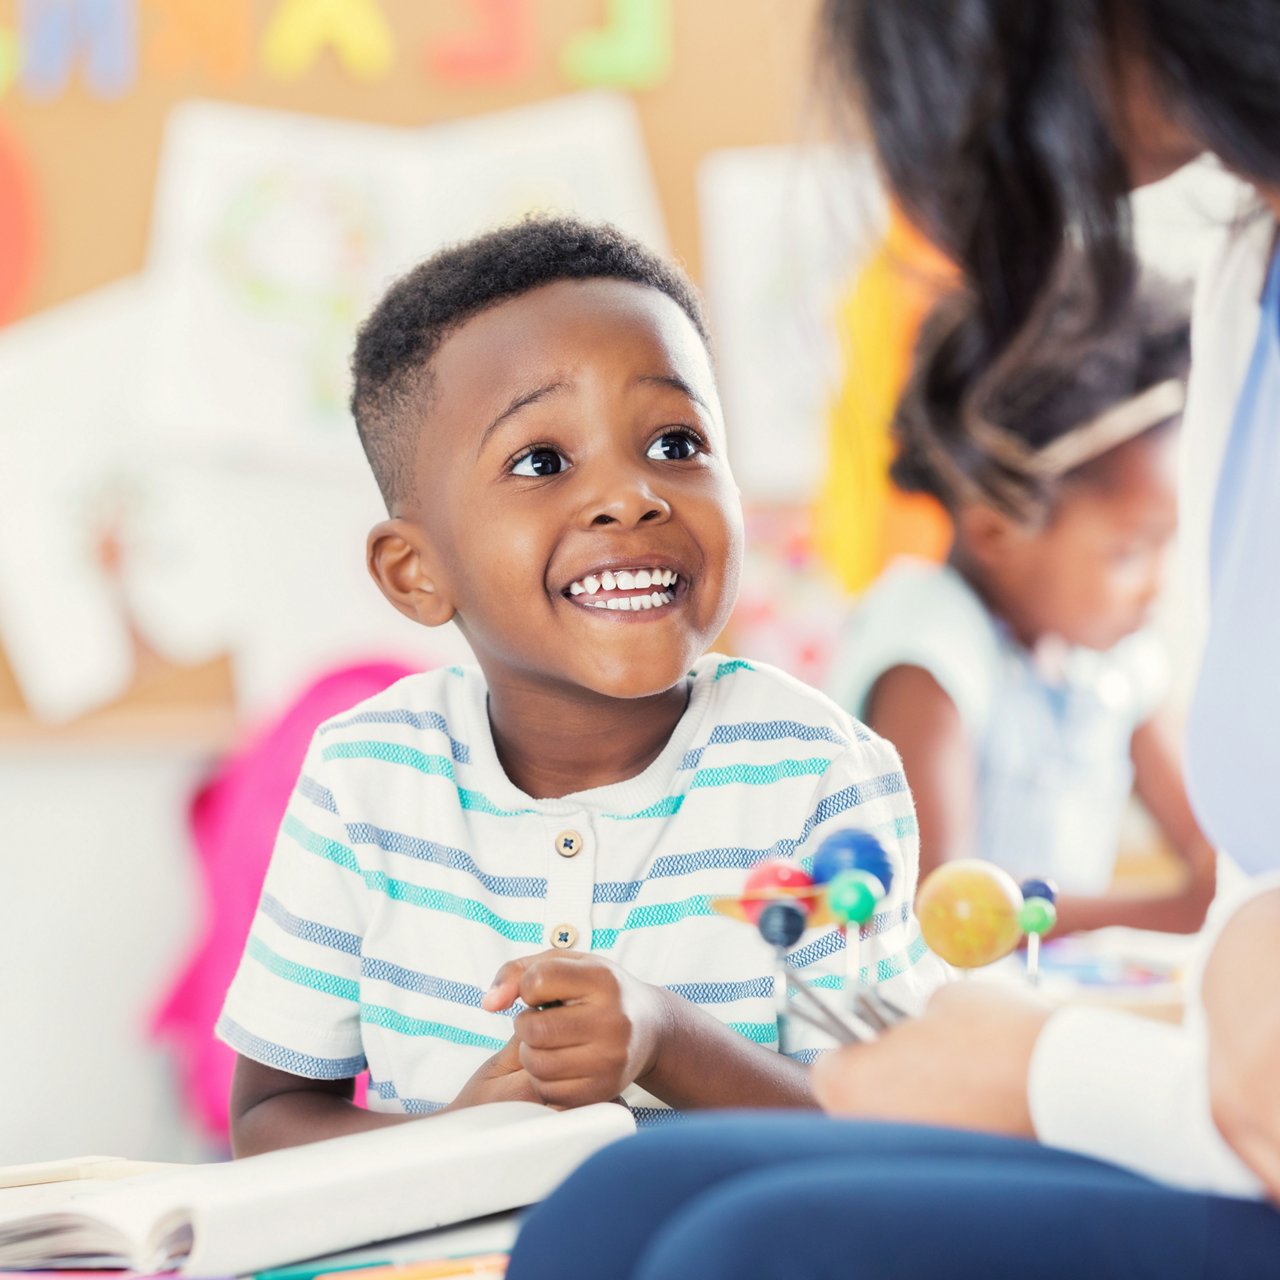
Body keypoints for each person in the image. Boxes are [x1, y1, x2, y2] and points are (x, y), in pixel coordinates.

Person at [506, 1, 1280, 1274]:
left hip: (1224, 1091)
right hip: (1216, 1065)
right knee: (618, 1205)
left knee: (741, 1251)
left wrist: (1034, 1062)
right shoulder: (1236, 284)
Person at [216, 216, 945, 1155]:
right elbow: (268, 1118)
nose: (633, 496)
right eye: (541, 462)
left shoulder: (818, 772)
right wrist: (455, 1139)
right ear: (415, 571)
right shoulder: (365, 778)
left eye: (677, 444)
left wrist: (668, 1040)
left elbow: (897, 1128)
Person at [827, 271, 1217, 935]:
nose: (1158, 585)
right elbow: (936, 910)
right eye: (1129, 553)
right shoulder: (929, 652)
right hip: (937, 1023)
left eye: (1167, 548)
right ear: (994, 531)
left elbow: (1212, 843)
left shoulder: (1108, 660)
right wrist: (1173, 912)